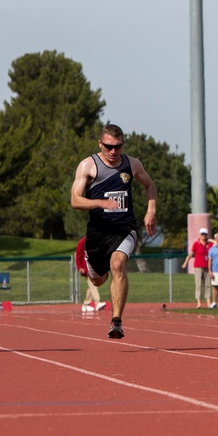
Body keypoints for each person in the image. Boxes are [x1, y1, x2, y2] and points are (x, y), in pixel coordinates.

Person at [71, 124, 158, 339]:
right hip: (98, 232)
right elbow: (75, 200)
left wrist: (151, 210)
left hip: (124, 228)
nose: (113, 152)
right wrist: (100, 202)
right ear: (100, 143)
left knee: (118, 264)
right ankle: (95, 263)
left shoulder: (132, 164)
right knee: (97, 280)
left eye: (118, 147)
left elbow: (150, 185)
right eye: (109, 146)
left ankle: (116, 321)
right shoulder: (88, 166)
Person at [181, 229, 212, 308]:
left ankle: (208, 302)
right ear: (200, 235)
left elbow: (217, 244)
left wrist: (211, 240)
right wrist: (185, 263)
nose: (204, 235)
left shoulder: (209, 244)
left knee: (207, 284)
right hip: (198, 266)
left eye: (205, 234)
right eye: (202, 234)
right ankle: (199, 302)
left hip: (207, 266)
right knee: (198, 284)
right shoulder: (196, 244)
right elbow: (191, 254)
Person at [75, 237, 106, 312]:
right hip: (86, 269)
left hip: (95, 268)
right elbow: (78, 256)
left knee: (92, 286)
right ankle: (97, 302)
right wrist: (79, 267)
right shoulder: (82, 242)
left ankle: (86, 304)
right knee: (93, 285)